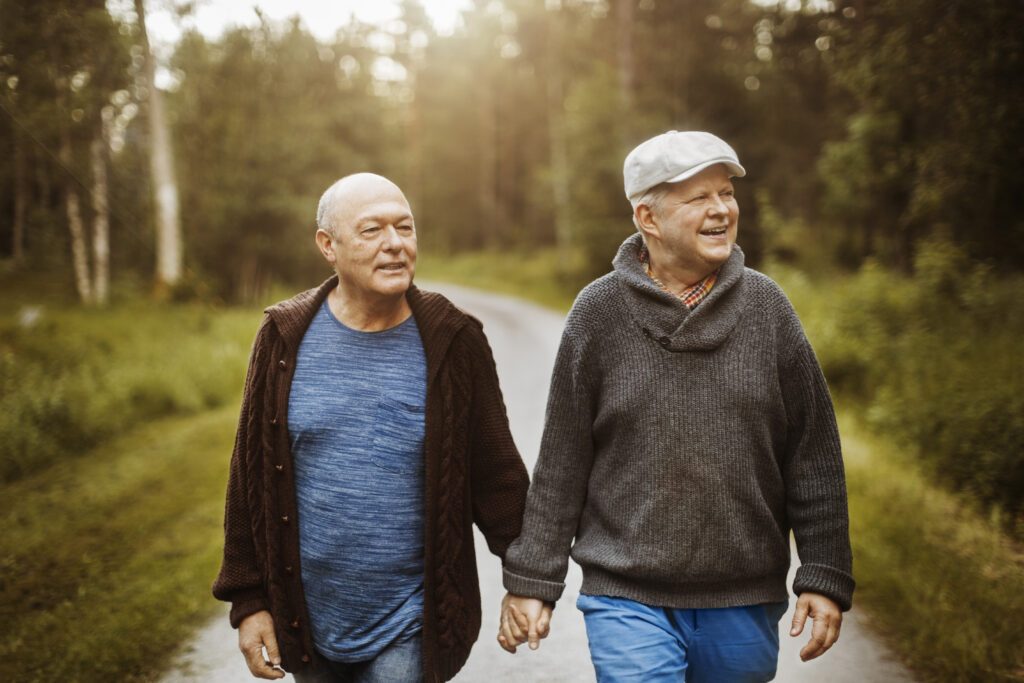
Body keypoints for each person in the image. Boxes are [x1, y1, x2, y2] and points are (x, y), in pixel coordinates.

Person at [497, 131, 854, 682]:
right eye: (698, 198)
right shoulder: (598, 314)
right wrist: (532, 581)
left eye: (725, 194)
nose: (721, 210)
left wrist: (824, 572)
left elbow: (813, 454)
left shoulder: (768, 310)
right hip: (626, 593)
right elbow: (563, 461)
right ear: (648, 217)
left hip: (742, 596)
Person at [213, 173, 530, 682]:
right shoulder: (282, 337)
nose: (395, 244)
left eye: (404, 227)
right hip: (309, 621)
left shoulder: (453, 340)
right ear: (328, 246)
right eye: (372, 230)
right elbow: (249, 480)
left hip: (411, 621)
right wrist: (249, 601)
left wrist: (527, 578)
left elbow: (496, 473)